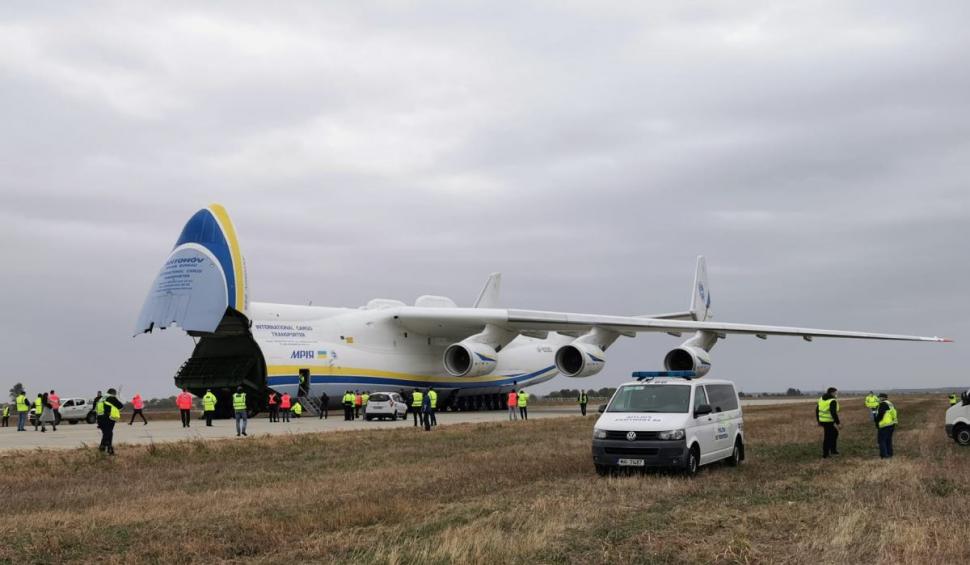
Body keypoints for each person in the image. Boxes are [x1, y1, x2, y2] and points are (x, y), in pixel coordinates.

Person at [816, 387, 841, 458]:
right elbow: (833, 413)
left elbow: (817, 410)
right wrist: (838, 423)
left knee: (835, 433)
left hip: (823, 421)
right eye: (836, 393)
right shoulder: (832, 401)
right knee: (828, 437)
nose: (836, 394)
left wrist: (818, 420)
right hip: (828, 421)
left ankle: (833, 450)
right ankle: (825, 454)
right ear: (832, 393)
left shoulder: (821, 399)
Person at [100, 388, 123, 455]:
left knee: (107, 434)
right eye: (115, 394)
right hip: (108, 418)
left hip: (99, 418)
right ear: (113, 393)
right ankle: (103, 449)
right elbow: (121, 406)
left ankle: (108, 450)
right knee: (108, 434)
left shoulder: (102, 398)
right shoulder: (112, 398)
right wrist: (117, 398)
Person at [875, 393, 898, 458]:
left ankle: (884, 456)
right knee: (888, 440)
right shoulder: (890, 403)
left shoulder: (883, 404)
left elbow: (880, 414)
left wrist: (876, 421)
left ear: (883, 398)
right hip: (891, 424)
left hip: (884, 425)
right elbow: (894, 413)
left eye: (879, 397)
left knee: (881, 441)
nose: (878, 398)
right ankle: (890, 454)